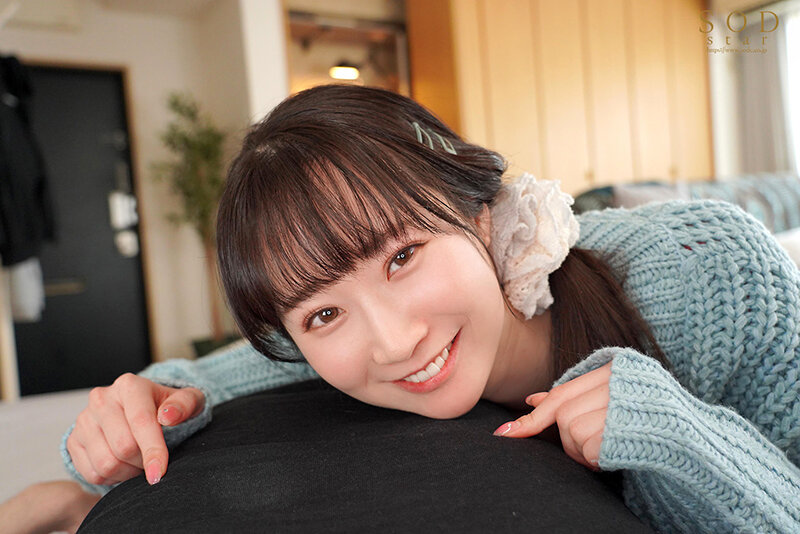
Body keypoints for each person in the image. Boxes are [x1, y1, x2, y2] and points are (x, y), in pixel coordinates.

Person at [5, 84, 800, 533]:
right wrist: (118, 427)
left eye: (401, 257)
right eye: (323, 315)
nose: (391, 341)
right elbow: (197, 382)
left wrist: (678, 432)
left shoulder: (709, 271)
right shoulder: (320, 358)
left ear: (479, 213)